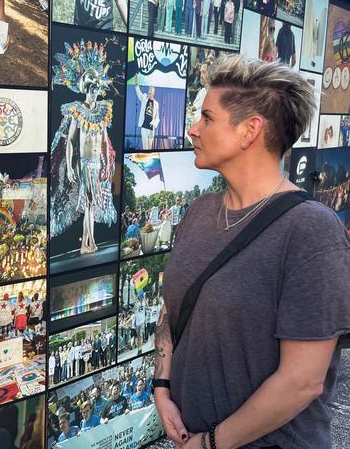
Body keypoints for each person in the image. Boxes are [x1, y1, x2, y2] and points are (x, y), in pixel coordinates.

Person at [153, 55, 350, 449]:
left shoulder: (312, 231)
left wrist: (211, 443)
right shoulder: (200, 211)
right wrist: (162, 387)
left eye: (207, 118)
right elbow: (172, 309)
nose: (193, 129)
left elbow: (302, 381)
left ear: (249, 131)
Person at [50, 40, 118, 256]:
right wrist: (70, 167)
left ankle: (90, 241)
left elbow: (105, 139)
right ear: (87, 90)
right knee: (88, 202)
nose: (96, 94)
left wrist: (108, 161)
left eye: (98, 90)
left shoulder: (103, 111)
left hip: (97, 164)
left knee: (93, 203)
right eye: (93, 90)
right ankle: (87, 243)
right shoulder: (77, 111)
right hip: (85, 165)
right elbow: (70, 141)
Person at [133, 78, 160, 150]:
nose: (150, 91)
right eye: (149, 90)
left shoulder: (156, 103)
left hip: (151, 128)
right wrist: (136, 83)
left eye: (151, 90)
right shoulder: (144, 98)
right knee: (145, 146)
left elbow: (157, 117)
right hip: (144, 126)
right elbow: (138, 92)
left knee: (150, 146)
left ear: (154, 92)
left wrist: (154, 123)